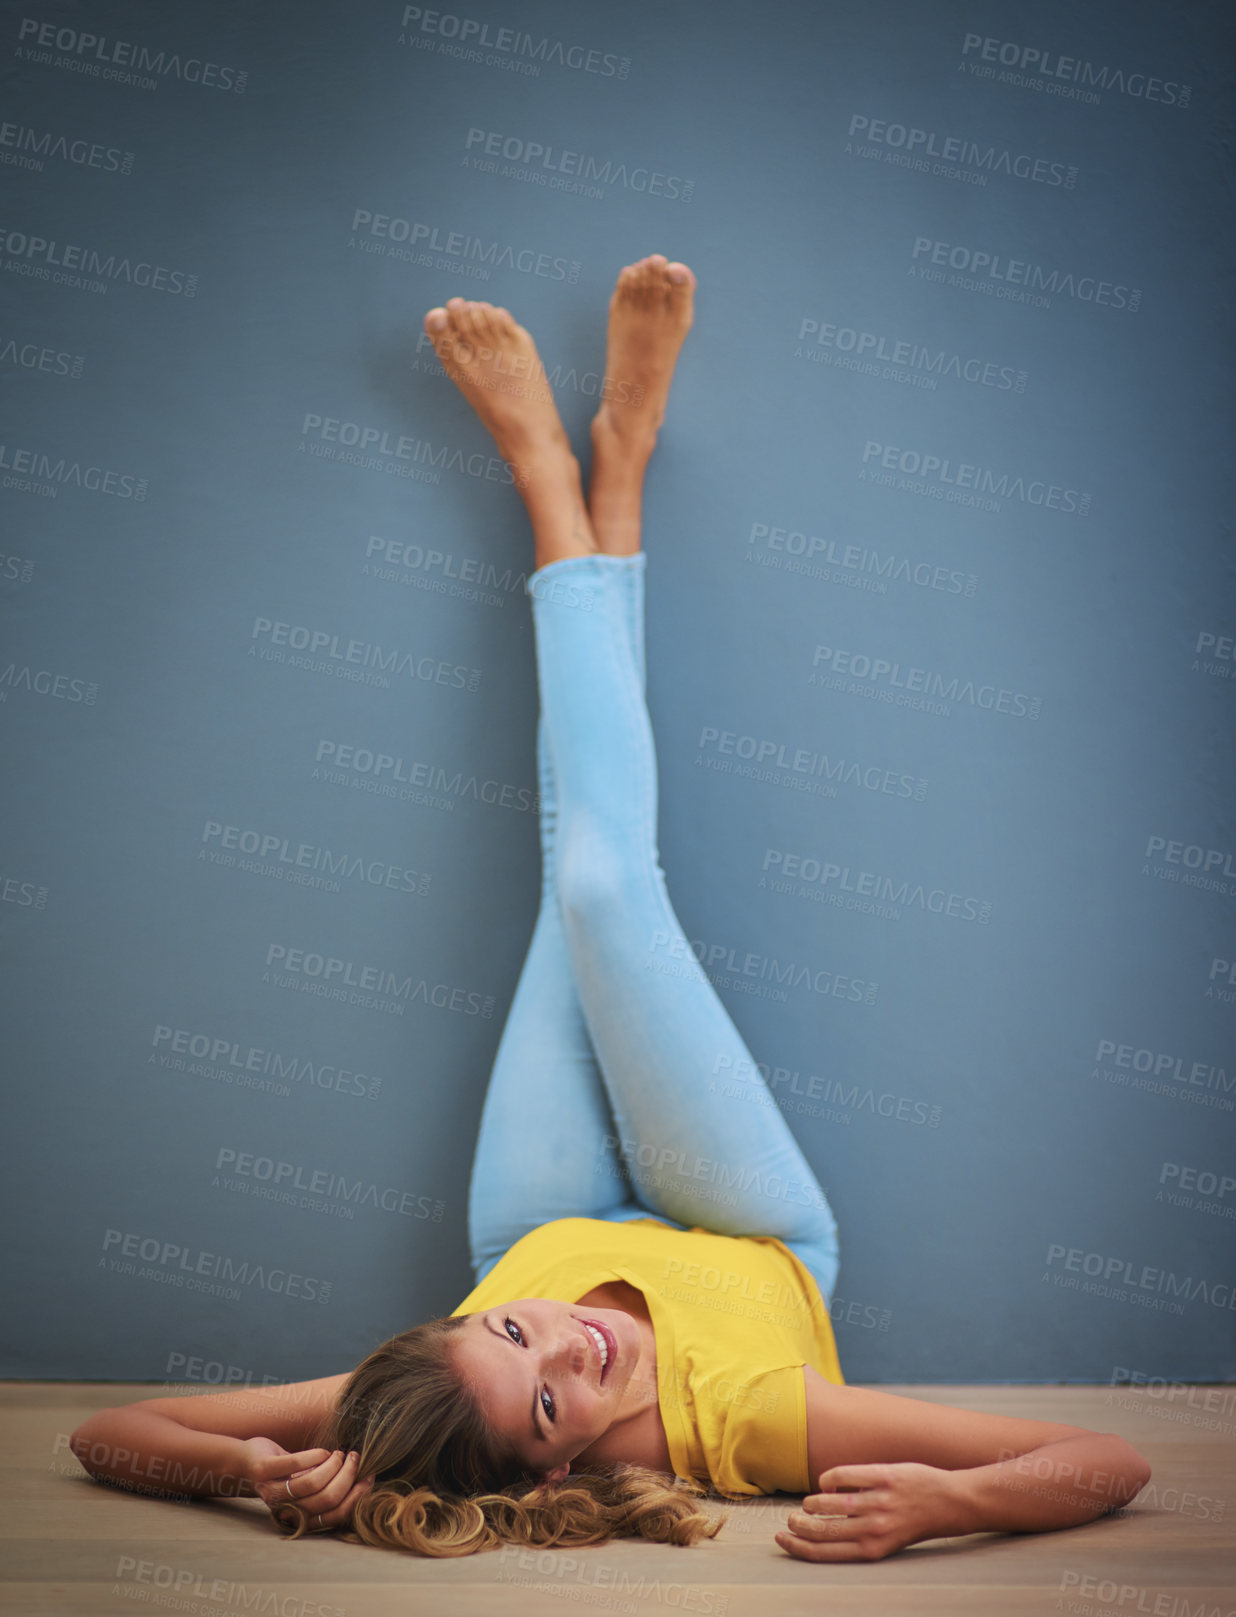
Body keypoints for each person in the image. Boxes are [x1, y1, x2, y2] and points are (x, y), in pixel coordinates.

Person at [70, 256, 1152, 1562]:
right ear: (555, 1462)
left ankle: (596, 472)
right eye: (546, 1402)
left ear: (458, 1325)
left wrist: (250, 1467)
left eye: (511, 1331)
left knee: (575, 862)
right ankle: (578, 469)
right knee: (598, 879)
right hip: (754, 1219)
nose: (565, 1344)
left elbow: (110, 1430)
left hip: (534, 1218)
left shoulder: (437, 1364)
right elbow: (1111, 1458)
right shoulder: (748, 1417)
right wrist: (960, 1498)